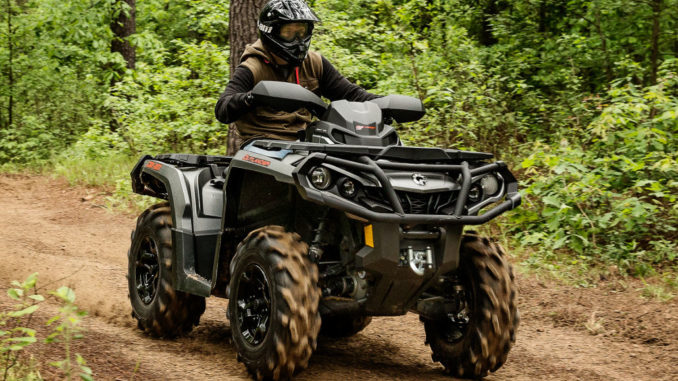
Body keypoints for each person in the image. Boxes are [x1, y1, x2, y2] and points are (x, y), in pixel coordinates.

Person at [215, 0, 380, 142]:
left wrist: (383, 104)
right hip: (261, 147)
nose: (298, 40)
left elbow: (351, 94)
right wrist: (252, 97)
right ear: (270, 31)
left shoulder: (315, 63)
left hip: (305, 144)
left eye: (302, 32)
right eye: (289, 33)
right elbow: (223, 109)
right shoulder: (253, 67)